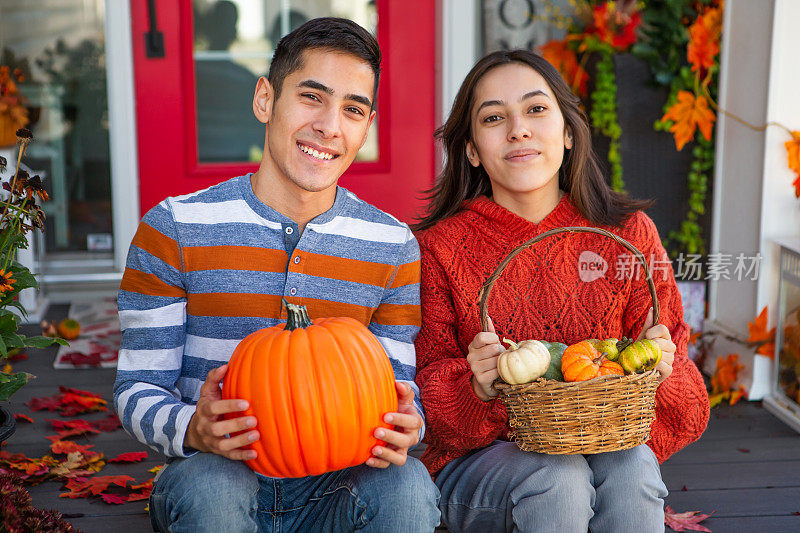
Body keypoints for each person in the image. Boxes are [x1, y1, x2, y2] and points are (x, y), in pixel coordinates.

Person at [114, 17, 440, 532]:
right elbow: (137, 389)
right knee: (214, 487)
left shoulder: (392, 245)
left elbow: (398, 388)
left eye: (352, 110)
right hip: (214, 475)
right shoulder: (175, 227)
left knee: (408, 489)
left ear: (366, 126)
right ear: (265, 99)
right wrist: (195, 429)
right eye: (312, 97)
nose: (330, 126)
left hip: (337, 481)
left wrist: (408, 425)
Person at [412, 49, 710, 532]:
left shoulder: (628, 236)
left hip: (607, 453)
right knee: (559, 474)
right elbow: (425, 406)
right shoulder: (439, 249)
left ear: (568, 132)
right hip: (482, 468)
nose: (519, 130)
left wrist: (663, 369)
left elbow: (688, 407)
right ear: (470, 149)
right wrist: (476, 385)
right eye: (494, 117)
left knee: (632, 468)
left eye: (535, 109)